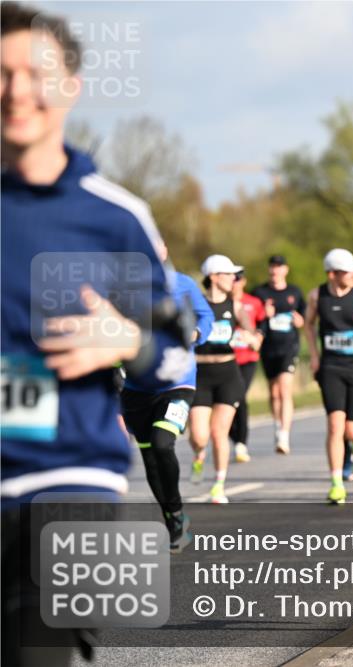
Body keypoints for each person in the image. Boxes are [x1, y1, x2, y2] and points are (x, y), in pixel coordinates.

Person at [1, 4, 191, 663]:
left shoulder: (115, 219)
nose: (17, 89)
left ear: (71, 87)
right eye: (1, 73)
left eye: (35, 72)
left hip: (69, 478)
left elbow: (170, 361)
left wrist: (127, 343)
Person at [120, 244, 214, 552]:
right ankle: (173, 517)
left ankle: (174, 512)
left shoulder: (183, 284)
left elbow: (205, 315)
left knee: (163, 443)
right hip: (136, 389)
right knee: (150, 458)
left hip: (178, 385)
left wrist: (197, 334)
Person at [305, 248, 353, 505]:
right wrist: (315, 356)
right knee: (335, 426)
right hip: (331, 369)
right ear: (333, 274)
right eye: (349, 270)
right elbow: (308, 324)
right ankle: (336, 484)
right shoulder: (317, 296)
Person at [189, 255, 253, 503]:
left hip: (228, 375)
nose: (234, 279)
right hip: (199, 375)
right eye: (229, 274)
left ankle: (218, 485)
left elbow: (252, 332)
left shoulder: (234, 306)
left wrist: (252, 338)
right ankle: (198, 455)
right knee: (198, 435)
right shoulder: (195, 307)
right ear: (214, 277)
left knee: (219, 432)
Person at [252, 255, 306, 454]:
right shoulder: (260, 292)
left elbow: (305, 318)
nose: (275, 271)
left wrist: (300, 321)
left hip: (289, 347)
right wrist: (262, 314)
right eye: (272, 267)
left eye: (279, 267)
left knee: (284, 389)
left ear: (286, 270)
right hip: (268, 348)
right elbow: (251, 317)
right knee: (273, 393)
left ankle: (284, 434)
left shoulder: (295, 292)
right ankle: (277, 426)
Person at [229, 271, 265, 463]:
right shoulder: (221, 303)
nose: (234, 283)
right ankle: (234, 436)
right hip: (228, 358)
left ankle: (241, 443)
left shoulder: (253, 302)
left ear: (243, 281)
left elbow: (263, 324)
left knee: (239, 396)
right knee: (226, 402)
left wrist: (257, 336)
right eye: (231, 279)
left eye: (237, 279)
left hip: (248, 358)